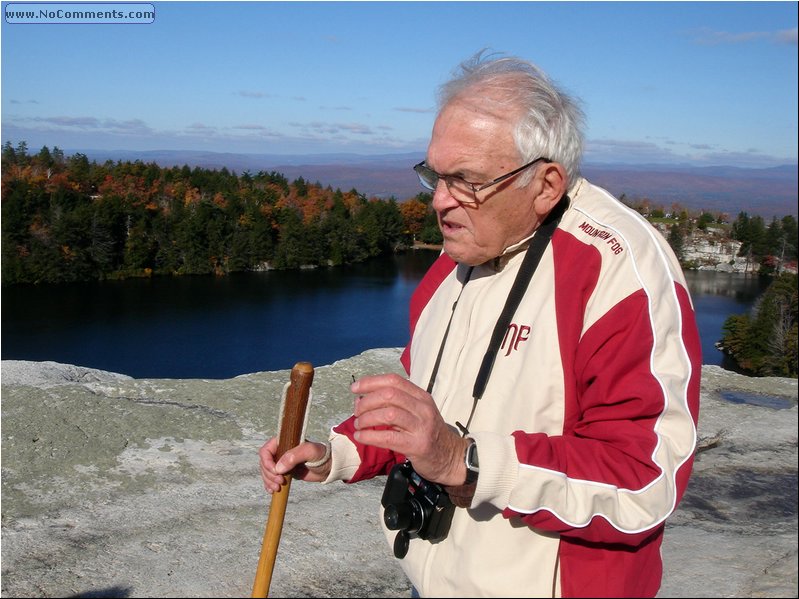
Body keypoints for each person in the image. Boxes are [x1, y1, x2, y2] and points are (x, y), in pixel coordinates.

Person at [260, 52, 701, 598]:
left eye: (466, 181)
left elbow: (643, 482)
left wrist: (461, 460)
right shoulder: (460, 252)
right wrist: (336, 454)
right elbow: (426, 405)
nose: (441, 202)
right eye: (435, 176)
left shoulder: (620, 273)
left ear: (545, 185)